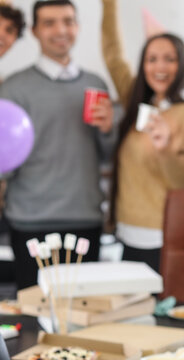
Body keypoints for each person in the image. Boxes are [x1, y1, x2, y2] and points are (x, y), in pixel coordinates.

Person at [0, 0, 115, 289]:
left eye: (68, 21)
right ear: (36, 31)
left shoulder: (96, 84)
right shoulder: (12, 88)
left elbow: (109, 157)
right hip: (29, 220)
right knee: (32, 315)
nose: (60, 30)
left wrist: (108, 130)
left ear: (77, 26)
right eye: (49, 23)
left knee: (83, 316)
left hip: (84, 218)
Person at [102, 0, 184, 272]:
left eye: (170, 59)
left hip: (163, 239)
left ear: (182, 65)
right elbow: (113, 56)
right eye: (152, 59)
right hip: (125, 233)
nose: (160, 67)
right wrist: (109, 6)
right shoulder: (136, 104)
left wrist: (165, 149)